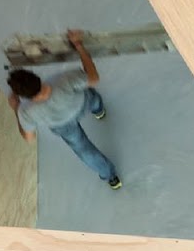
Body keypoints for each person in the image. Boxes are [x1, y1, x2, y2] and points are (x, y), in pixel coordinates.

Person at [7, 29, 120, 189]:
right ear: (36, 77)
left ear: (22, 95)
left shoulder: (26, 111)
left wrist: (16, 108)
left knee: (84, 150)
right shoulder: (62, 79)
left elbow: (29, 138)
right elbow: (94, 78)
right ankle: (99, 112)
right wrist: (79, 45)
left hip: (63, 126)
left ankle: (112, 178)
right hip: (81, 104)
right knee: (93, 98)